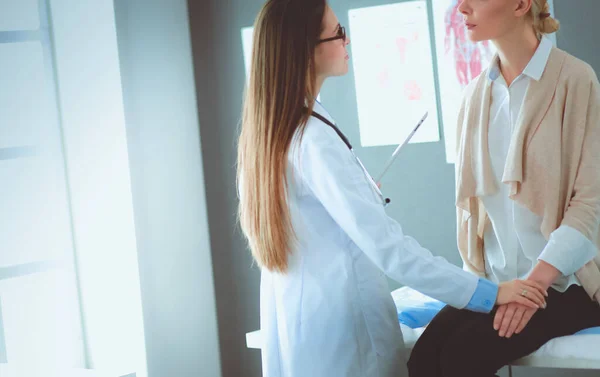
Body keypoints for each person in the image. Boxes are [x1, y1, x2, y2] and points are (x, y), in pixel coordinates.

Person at [236, 1, 547, 376]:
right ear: (305, 50)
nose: (346, 40)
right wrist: (490, 293)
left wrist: (359, 194)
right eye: (338, 33)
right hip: (347, 344)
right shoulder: (313, 139)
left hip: (304, 338)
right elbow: (390, 250)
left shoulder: (271, 135)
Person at [408, 1, 600, 376]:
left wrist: (533, 288)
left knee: (464, 355)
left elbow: (588, 205)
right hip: (496, 285)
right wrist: (486, 290)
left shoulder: (575, 79)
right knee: (423, 360)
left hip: (564, 284)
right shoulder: (474, 96)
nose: (461, 7)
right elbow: (471, 213)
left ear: (520, 4)